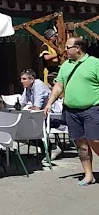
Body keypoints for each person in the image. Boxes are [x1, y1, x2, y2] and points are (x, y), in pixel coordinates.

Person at [44, 36, 99, 185]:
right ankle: (88, 175)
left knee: (95, 140)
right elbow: (59, 86)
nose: (64, 51)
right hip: (71, 111)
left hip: (92, 109)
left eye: (68, 48)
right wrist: (49, 103)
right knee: (81, 144)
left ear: (78, 48)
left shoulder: (95, 63)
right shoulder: (66, 66)